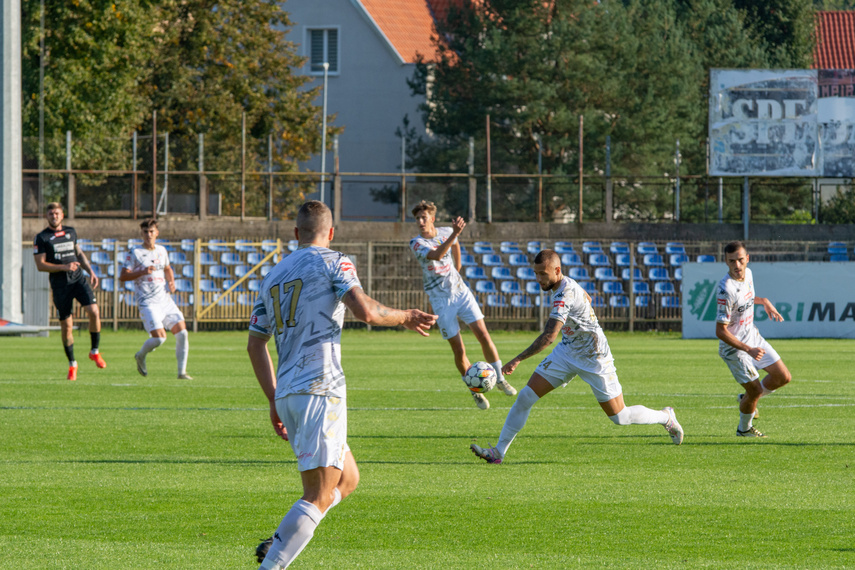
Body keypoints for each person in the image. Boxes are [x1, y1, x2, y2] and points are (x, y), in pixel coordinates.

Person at [248, 201, 436, 570]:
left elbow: (256, 343)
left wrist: (273, 400)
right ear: (331, 233)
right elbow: (365, 311)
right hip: (320, 388)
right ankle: (275, 559)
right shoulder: (336, 261)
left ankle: (284, 536)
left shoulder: (272, 275)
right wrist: (405, 316)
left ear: (296, 234)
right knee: (317, 495)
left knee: (347, 479)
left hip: (289, 391)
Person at [471, 249, 683, 464]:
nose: (538, 279)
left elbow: (548, 337)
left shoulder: (564, 295)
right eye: (536, 274)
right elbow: (586, 297)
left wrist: (517, 359)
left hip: (595, 357)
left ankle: (666, 417)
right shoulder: (564, 285)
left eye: (543, 274)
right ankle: (498, 452)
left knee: (620, 417)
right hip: (567, 352)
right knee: (525, 397)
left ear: (557, 270)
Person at [409, 200, 517, 410]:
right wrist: (454, 235)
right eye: (417, 219)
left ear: (432, 218)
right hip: (440, 301)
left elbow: (455, 245)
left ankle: (501, 379)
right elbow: (437, 255)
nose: (421, 222)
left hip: (461, 292)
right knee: (459, 350)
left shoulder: (446, 231)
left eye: (424, 218)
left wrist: (457, 266)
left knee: (484, 335)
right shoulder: (416, 243)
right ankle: (475, 390)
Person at [715, 241, 791, 438]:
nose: (737, 265)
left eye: (740, 260)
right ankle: (744, 429)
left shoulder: (748, 274)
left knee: (783, 377)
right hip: (736, 349)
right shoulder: (726, 289)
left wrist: (763, 301)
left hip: (753, 337)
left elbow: (747, 299)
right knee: (756, 390)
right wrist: (748, 350)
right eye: (732, 261)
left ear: (747, 258)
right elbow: (721, 331)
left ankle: (746, 399)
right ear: (726, 261)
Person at [33, 202, 107, 380]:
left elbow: (78, 252)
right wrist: (64, 267)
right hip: (60, 285)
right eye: (51, 213)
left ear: (62, 215)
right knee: (66, 326)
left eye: (57, 213)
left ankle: (95, 351)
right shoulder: (41, 238)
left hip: (78, 280)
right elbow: (40, 265)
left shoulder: (71, 232)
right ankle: (72, 364)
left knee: (94, 311)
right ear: (47, 216)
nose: (54, 216)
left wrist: (91, 271)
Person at [119, 219, 192, 380]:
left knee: (183, 333)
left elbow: (167, 268)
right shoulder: (135, 252)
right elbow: (123, 276)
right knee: (159, 338)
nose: (148, 235)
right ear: (142, 234)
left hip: (164, 300)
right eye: (145, 232)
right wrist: (143, 271)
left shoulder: (162, 250)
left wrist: (171, 281)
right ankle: (140, 355)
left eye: (151, 231)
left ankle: (181, 373)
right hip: (148, 302)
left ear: (157, 233)